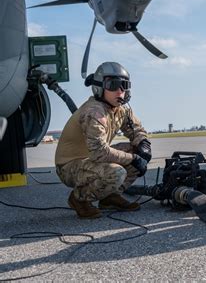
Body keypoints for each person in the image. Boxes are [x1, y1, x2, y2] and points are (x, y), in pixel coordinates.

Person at [55, 62, 152, 219]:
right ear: (99, 87)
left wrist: (144, 145)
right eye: (113, 85)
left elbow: (136, 130)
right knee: (117, 171)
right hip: (70, 166)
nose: (120, 91)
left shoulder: (119, 110)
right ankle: (79, 198)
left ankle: (109, 196)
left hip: (91, 159)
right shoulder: (94, 112)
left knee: (137, 151)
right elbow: (99, 152)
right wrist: (133, 159)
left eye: (124, 85)